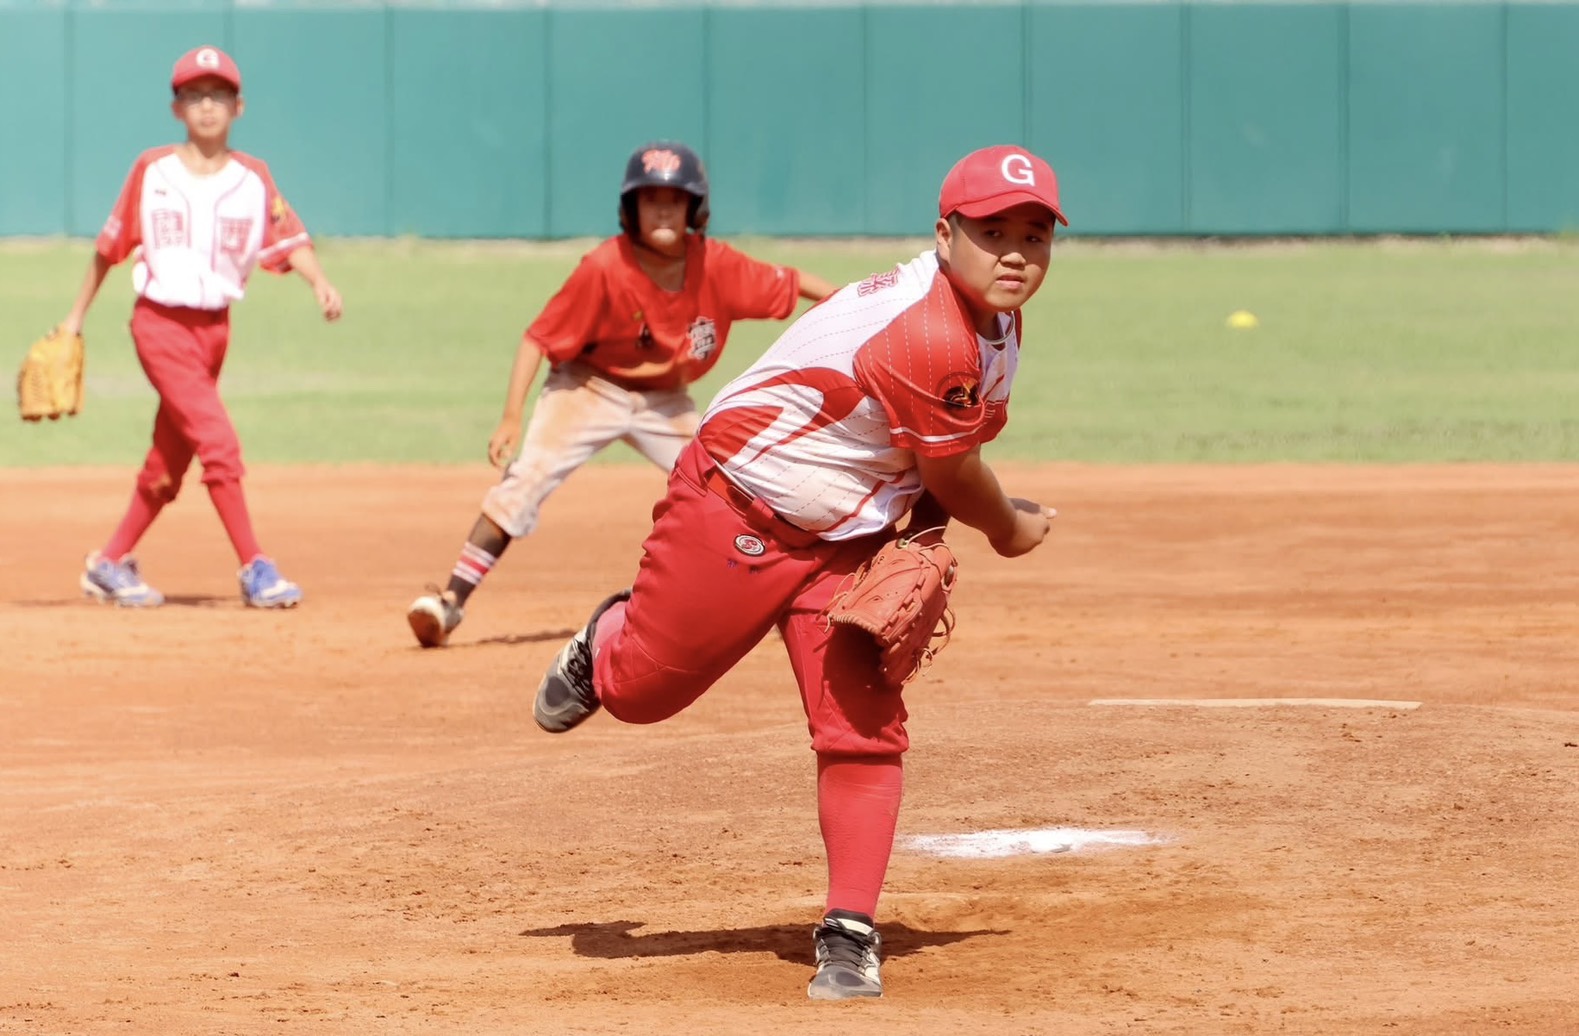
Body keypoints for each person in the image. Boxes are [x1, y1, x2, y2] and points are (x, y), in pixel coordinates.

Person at [529, 144, 1065, 1000]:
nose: (1014, 252)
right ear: (943, 233)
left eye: (1034, 234)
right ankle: (605, 640)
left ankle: (849, 929)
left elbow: (922, 465)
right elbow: (955, 476)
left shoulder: (996, 323)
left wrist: (915, 537)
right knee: (641, 694)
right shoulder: (927, 330)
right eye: (991, 230)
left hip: (843, 539)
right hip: (735, 511)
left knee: (862, 723)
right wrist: (1007, 527)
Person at [405, 140, 835, 647]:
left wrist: (853, 310)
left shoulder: (715, 265)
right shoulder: (605, 267)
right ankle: (450, 602)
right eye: (649, 198)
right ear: (629, 208)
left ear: (694, 208)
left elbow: (795, 282)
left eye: (674, 198)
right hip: (590, 386)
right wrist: (511, 417)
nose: (661, 208)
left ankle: (787, 603)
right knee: (527, 479)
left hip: (666, 401)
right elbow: (536, 339)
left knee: (736, 486)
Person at [61, 45, 343, 609]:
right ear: (176, 109)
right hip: (159, 325)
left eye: (217, 95)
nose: (206, 106)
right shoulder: (152, 170)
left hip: (215, 332)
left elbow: (289, 238)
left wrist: (318, 282)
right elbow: (108, 247)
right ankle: (255, 566)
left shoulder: (253, 178)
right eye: (194, 95)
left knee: (169, 464)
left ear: (239, 107)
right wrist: (74, 319)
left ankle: (110, 562)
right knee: (219, 445)